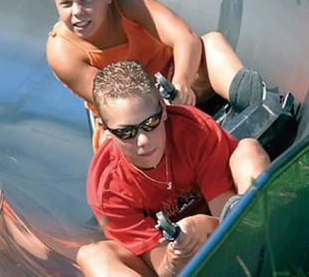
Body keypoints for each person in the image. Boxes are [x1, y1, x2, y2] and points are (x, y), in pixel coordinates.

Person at [77, 60, 270, 276]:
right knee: (92, 255)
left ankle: (268, 238)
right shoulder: (107, 189)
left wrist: (202, 226)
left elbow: (231, 223)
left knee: (249, 150)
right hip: (175, 260)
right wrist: (175, 257)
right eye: (126, 132)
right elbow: (163, 269)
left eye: (150, 123)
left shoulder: (194, 130)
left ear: (164, 110)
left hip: (225, 227)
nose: (142, 140)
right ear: (106, 131)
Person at [46, 0, 264, 139]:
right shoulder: (62, 51)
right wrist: (164, 105)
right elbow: (116, 104)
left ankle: (256, 108)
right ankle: (200, 143)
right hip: (134, 120)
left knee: (212, 43)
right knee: (124, 132)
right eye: (66, 4)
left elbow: (185, 38)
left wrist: (180, 84)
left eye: (86, 0)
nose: (77, 12)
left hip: (172, 85)